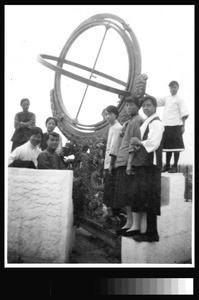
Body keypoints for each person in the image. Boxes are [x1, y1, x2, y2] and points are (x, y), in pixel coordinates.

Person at [125, 95, 164, 242]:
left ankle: (152, 233)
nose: (146, 108)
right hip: (143, 163)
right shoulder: (147, 121)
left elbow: (153, 143)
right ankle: (146, 231)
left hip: (151, 165)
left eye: (149, 105)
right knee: (143, 197)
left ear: (155, 106)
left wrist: (138, 142)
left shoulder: (157, 123)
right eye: (144, 106)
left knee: (151, 198)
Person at [113, 96, 144, 236]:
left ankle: (134, 225)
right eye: (126, 105)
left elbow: (135, 143)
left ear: (137, 106)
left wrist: (130, 163)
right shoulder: (130, 121)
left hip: (127, 162)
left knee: (130, 194)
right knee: (125, 195)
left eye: (131, 105)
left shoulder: (137, 120)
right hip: (122, 160)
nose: (128, 107)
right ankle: (129, 223)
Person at [155, 81, 189, 173]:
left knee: (176, 148)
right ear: (169, 88)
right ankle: (167, 165)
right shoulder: (166, 98)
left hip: (177, 125)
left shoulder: (180, 99)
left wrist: (183, 126)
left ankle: (174, 166)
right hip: (166, 125)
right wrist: (148, 97)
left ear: (178, 88)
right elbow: (156, 101)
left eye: (174, 87)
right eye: (171, 87)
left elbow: (184, 113)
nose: (172, 89)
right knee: (168, 148)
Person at [102, 105, 122, 227]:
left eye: (109, 114)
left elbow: (114, 148)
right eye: (106, 114)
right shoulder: (112, 127)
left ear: (115, 115)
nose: (107, 116)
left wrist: (111, 165)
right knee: (108, 191)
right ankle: (110, 217)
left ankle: (112, 217)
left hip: (113, 165)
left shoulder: (117, 128)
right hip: (108, 163)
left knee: (111, 192)